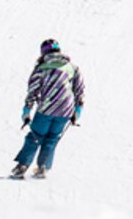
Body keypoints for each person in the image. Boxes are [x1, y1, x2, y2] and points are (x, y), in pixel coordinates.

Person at [12, 38, 85, 179]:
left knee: (35, 136)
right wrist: (77, 111)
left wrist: (26, 111)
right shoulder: (72, 68)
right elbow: (79, 90)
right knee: (52, 138)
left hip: (46, 109)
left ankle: (22, 166)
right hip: (65, 110)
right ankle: (43, 167)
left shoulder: (41, 68)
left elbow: (33, 91)